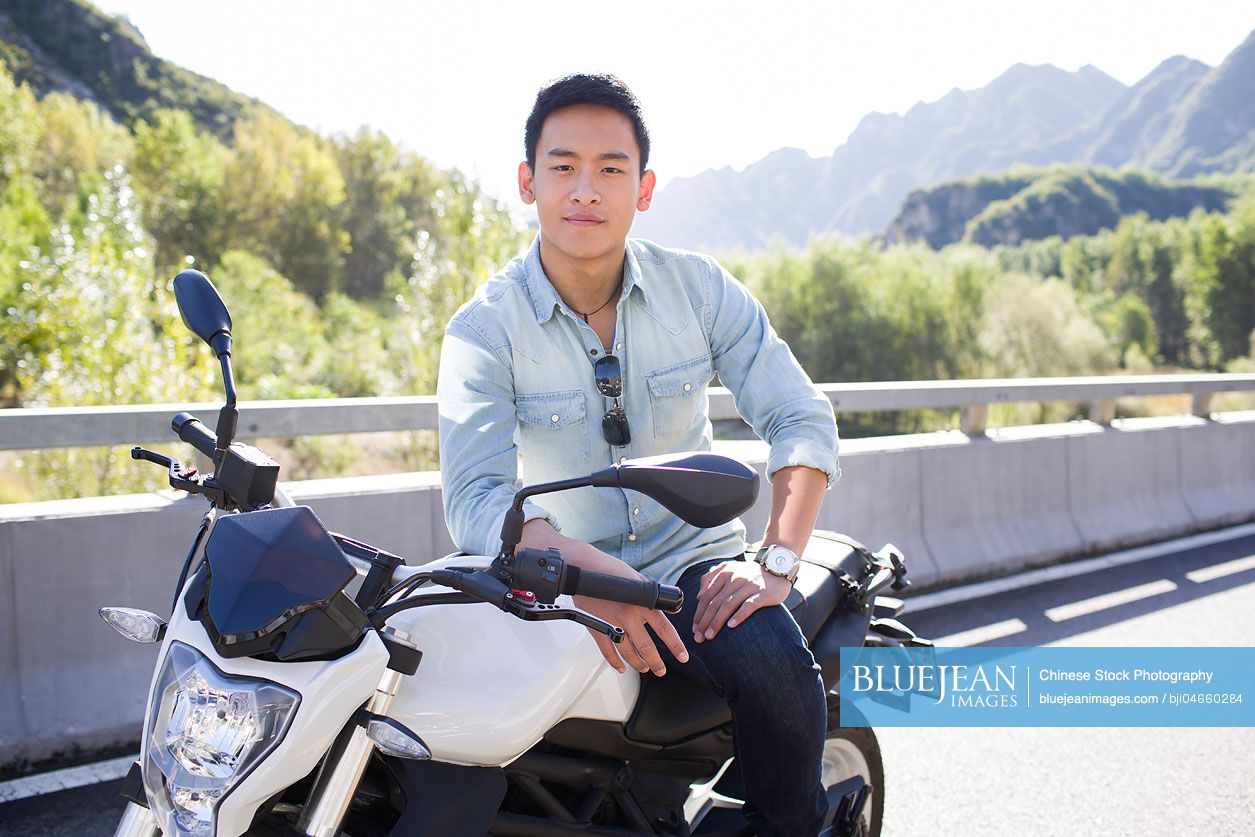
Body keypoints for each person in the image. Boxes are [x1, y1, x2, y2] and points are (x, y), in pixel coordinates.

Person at [437, 73, 839, 836]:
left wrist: (774, 561)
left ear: (643, 188)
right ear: (528, 182)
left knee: (777, 669)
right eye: (562, 166)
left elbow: (798, 415)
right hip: (558, 579)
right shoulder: (481, 328)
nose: (584, 189)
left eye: (609, 169)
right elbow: (477, 498)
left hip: (697, 571)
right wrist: (584, 575)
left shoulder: (700, 289)